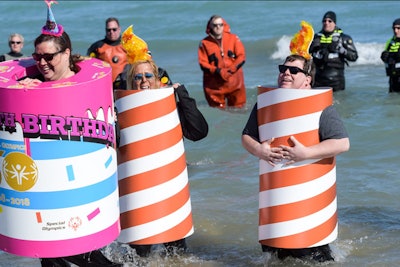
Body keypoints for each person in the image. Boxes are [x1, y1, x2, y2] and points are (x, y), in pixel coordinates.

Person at [18, 2, 122, 267]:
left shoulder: (87, 87)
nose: (41, 63)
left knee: (88, 257)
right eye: (37, 56)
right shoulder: (32, 85)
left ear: (66, 54)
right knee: (51, 259)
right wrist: (23, 89)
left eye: (49, 57)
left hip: (80, 191)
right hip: (45, 190)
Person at [241, 54, 350, 262]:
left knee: (314, 260)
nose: (286, 74)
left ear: (308, 78)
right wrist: (259, 150)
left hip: (309, 216)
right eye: (283, 69)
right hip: (276, 210)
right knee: (273, 259)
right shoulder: (267, 102)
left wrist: (305, 153)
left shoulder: (320, 105)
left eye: (293, 70)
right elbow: (246, 136)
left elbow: (342, 143)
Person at [122, 59, 208, 257]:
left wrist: (182, 96)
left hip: (167, 187)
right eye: (138, 77)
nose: (143, 81)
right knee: (139, 252)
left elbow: (199, 132)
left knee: (175, 251)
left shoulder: (170, 106)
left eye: (148, 76)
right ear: (131, 81)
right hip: (138, 189)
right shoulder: (123, 109)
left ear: (158, 79)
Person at [198, 15, 246, 108]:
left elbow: (241, 57)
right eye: (215, 25)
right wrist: (218, 71)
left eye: (220, 24)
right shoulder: (204, 43)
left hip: (234, 81)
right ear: (210, 26)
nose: (218, 27)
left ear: (224, 25)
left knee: (239, 109)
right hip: (214, 85)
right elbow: (203, 64)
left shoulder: (234, 38)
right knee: (217, 110)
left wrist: (231, 70)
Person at [309, 11, 358, 91]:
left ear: (334, 23)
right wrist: (311, 48)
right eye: (324, 21)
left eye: (329, 21)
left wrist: (341, 50)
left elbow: (354, 56)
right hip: (317, 79)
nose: (326, 23)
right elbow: (304, 56)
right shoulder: (315, 38)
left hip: (336, 81)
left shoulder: (343, 38)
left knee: (337, 102)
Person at [87, 17, 128, 89]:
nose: (111, 32)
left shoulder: (128, 45)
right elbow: (89, 66)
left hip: (125, 84)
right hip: (105, 85)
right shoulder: (97, 47)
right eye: (108, 30)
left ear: (119, 29)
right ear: (105, 30)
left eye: (114, 29)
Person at [381, 18, 400, 93]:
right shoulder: (390, 41)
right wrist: (384, 57)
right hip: (393, 78)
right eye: (394, 28)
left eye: (398, 28)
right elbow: (387, 59)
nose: (396, 31)